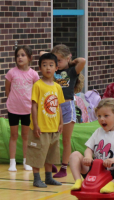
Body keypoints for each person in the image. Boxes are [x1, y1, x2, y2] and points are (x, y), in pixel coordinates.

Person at [69, 95, 114, 193]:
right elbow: (89, 148)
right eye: (99, 116)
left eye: (106, 116)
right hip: (95, 172)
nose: (102, 119)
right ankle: (78, 181)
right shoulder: (98, 131)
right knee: (75, 154)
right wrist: (88, 157)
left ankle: (113, 184)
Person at [40, 44, 86, 178]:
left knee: (66, 139)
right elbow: (42, 54)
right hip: (53, 108)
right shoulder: (53, 70)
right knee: (51, 138)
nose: (56, 63)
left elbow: (82, 61)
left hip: (67, 107)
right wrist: (54, 57)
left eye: (59, 60)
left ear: (67, 58)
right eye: (55, 60)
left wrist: (70, 62)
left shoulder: (72, 71)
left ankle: (64, 167)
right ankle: (51, 162)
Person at [26, 53, 65, 188]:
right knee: (37, 153)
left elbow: (58, 105)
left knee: (51, 154)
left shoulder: (57, 87)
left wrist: (61, 122)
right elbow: (34, 105)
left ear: (56, 67)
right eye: (44, 65)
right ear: (39, 68)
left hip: (54, 127)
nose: (48, 68)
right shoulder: (38, 85)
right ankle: (36, 179)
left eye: (51, 65)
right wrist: (35, 124)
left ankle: (48, 177)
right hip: (41, 128)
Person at [5, 45, 40, 171]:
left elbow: (37, 91)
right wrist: (12, 101)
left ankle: (26, 161)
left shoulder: (34, 75)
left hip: (27, 110)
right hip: (13, 109)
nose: (20, 58)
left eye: (23, 55)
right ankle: (12, 162)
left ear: (29, 58)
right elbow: (7, 89)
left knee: (26, 136)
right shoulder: (11, 73)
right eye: (18, 55)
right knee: (13, 135)